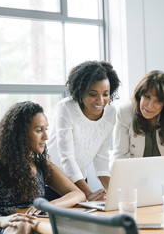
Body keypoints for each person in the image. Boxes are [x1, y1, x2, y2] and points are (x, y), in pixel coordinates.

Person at [0, 101, 85, 234]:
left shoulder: (42, 166)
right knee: (22, 226)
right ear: (20, 134)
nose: (46, 137)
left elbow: (78, 194)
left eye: (46, 129)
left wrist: (49, 206)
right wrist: (2, 220)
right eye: (39, 130)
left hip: (25, 228)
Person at [47, 60, 121, 201]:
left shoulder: (111, 113)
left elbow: (101, 158)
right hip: (51, 180)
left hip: (79, 179)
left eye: (105, 94)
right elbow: (66, 158)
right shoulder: (66, 108)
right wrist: (88, 194)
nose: (100, 101)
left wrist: (114, 195)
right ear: (81, 92)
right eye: (93, 94)